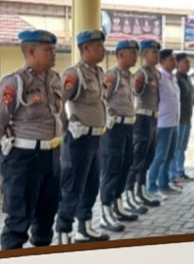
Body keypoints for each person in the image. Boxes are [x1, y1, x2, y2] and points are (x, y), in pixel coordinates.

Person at [0, 29, 66, 250]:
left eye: (53, 49)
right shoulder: (14, 83)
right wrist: (6, 157)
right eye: (48, 49)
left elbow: (60, 117)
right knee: (17, 222)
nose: (54, 53)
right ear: (31, 51)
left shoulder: (54, 79)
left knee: (45, 220)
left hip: (51, 157)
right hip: (24, 159)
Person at [55, 28, 111, 244]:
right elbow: (58, 102)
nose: (103, 50)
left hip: (96, 138)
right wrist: (66, 126)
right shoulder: (73, 74)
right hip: (79, 140)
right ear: (85, 48)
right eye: (99, 46)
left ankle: (85, 228)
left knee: (91, 185)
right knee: (72, 188)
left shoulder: (97, 73)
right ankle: (63, 233)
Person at [97, 39, 142, 232]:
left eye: (136, 53)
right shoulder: (112, 76)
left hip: (128, 128)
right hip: (113, 129)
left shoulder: (130, 77)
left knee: (125, 166)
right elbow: (101, 99)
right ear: (121, 54)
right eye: (132, 53)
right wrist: (106, 119)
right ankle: (106, 212)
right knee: (112, 168)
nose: (135, 57)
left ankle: (117, 204)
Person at [127, 39, 163, 210]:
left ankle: (142, 190)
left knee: (149, 156)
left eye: (157, 52)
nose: (157, 55)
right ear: (144, 55)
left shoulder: (157, 73)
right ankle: (129, 194)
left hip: (153, 119)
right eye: (153, 52)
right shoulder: (141, 74)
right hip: (142, 119)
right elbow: (135, 92)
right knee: (137, 158)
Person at [146, 49, 182, 197]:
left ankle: (164, 183)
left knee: (171, 154)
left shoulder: (172, 78)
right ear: (162, 62)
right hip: (163, 123)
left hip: (174, 122)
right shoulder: (159, 78)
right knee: (160, 155)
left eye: (175, 59)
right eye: (171, 60)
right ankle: (152, 187)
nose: (174, 62)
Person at [169, 55, 194, 186]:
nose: (188, 65)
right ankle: (174, 174)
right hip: (179, 120)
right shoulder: (176, 79)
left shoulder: (187, 78)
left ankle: (180, 171)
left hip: (187, 119)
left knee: (182, 148)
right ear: (178, 64)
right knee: (176, 148)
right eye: (185, 62)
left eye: (189, 62)